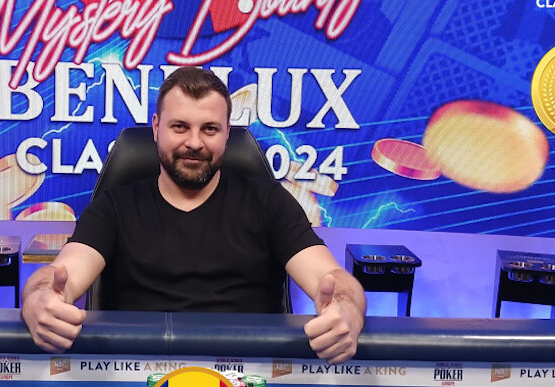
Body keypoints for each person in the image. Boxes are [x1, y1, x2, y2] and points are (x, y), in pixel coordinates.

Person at [21, 67, 366, 364]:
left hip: (246, 373)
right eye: (180, 127)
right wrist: (39, 299)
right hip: (137, 370)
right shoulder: (115, 206)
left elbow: (333, 279)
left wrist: (347, 308)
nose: (195, 143)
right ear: (156, 128)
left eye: (209, 129)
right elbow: (60, 276)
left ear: (227, 133)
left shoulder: (268, 201)